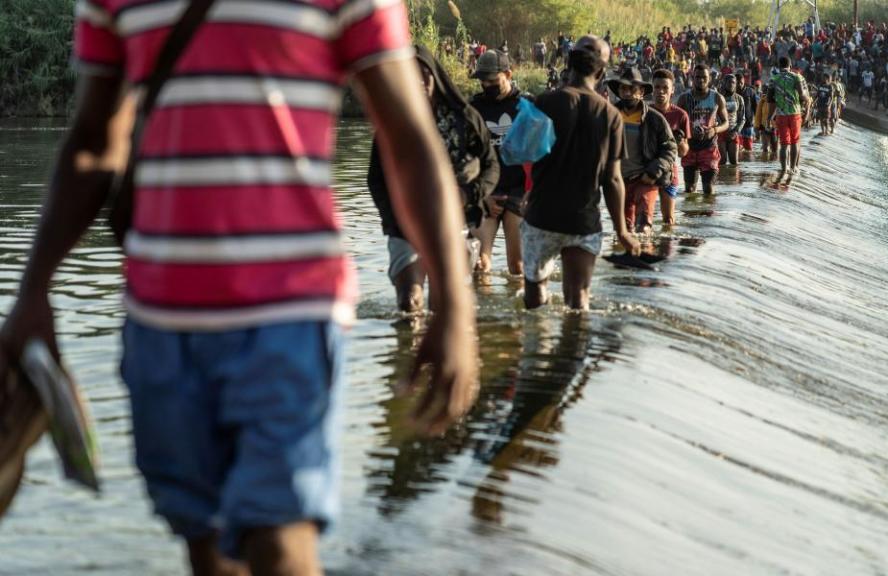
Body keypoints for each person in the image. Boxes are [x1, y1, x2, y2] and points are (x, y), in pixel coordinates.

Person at [1, 3, 480, 575]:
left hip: (292, 313)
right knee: (205, 543)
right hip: (160, 319)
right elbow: (93, 142)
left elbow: (408, 140)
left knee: (278, 542)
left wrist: (455, 305)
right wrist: (32, 292)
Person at [369, 47, 499, 311]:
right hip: (405, 223)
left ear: (436, 76)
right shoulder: (392, 122)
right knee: (409, 301)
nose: (417, 80)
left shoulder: (464, 118)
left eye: (423, 73)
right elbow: (376, 179)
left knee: (447, 305)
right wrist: (391, 218)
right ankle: (408, 350)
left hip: (455, 220)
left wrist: (469, 194)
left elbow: (491, 165)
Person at [522, 35, 641, 310]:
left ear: (569, 63)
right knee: (578, 301)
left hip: (541, 216)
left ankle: (535, 349)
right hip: (583, 221)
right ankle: (573, 351)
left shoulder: (543, 103)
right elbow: (613, 179)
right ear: (601, 72)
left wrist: (527, 191)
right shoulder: (611, 115)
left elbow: (524, 154)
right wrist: (622, 231)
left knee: (535, 298)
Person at [469, 50, 531, 276]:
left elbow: (542, 155)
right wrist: (481, 194)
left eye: (493, 81)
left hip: (520, 192)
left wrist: (531, 194)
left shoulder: (526, 107)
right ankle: (483, 311)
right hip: (486, 192)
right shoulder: (472, 109)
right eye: (483, 81)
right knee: (478, 265)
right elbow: (466, 157)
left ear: (508, 74)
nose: (487, 85)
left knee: (518, 267)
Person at [609, 67, 678, 233]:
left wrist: (654, 171)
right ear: (618, 91)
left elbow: (670, 148)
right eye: (623, 89)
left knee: (644, 226)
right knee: (623, 230)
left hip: (645, 179)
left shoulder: (654, 119)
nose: (627, 93)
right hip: (619, 181)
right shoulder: (608, 116)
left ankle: (647, 255)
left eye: (632, 89)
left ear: (641, 92)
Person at [677, 63, 730, 195]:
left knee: (708, 190)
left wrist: (715, 130)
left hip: (709, 148)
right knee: (689, 191)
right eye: (697, 77)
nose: (701, 80)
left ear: (709, 79)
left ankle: (709, 215)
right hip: (690, 148)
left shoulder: (717, 98)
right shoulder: (684, 99)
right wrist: (686, 131)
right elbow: (678, 124)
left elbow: (726, 123)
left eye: (704, 77)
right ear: (692, 78)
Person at [650, 68, 691, 226]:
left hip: (669, 171)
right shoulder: (644, 112)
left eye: (665, 88)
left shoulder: (680, 115)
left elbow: (683, 153)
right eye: (657, 87)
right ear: (652, 89)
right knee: (644, 218)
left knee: (668, 220)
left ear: (672, 90)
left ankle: (667, 248)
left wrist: (679, 141)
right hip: (646, 170)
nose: (661, 91)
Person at [767, 56, 811, 174]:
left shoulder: (773, 79)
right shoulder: (796, 77)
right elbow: (802, 95)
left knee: (784, 144)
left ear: (779, 66)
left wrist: (769, 117)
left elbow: (771, 101)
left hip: (781, 114)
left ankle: (783, 169)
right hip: (795, 114)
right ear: (790, 66)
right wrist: (808, 100)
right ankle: (793, 168)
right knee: (795, 142)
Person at [718, 74, 745, 165]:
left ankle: (734, 179)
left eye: (733, 82)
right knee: (722, 161)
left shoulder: (739, 99)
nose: (731, 84)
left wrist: (736, 131)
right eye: (729, 82)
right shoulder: (718, 97)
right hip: (720, 132)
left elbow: (742, 118)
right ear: (724, 83)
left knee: (734, 162)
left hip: (733, 131)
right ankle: (720, 179)